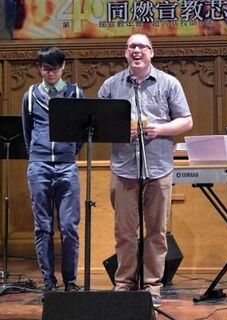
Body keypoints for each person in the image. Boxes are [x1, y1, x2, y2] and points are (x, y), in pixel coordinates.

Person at [98, 33, 193, 306]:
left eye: (142, 46)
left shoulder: (168, 83)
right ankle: (124, 285)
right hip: (124, 169)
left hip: (159, 168)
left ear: (152, 52)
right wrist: (119, 129)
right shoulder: (111, 85)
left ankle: (152, 286)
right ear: (125, 54)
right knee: (125, 233)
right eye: (131, 47)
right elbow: (100, 124)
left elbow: (186, 120)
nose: (136, 51)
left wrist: (160, 129)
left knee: (156, 232)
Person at [22, 46, 84, 293]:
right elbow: (28, 133)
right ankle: (48, 281)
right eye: (45, 69)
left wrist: (68, 152)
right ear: (40, 68)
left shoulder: (75, 93)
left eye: (54, 69)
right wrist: (37, 156)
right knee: (43, 227)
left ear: (63, 68)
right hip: (39, 166)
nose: (49, 73)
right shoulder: (30, 95)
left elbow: (80, 132)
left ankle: (70, 282)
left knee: (69, 226)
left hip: (67, 165)